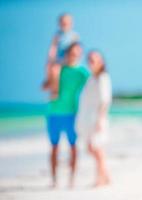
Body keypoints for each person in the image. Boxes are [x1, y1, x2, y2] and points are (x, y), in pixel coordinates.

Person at [46, 42, 89, 188]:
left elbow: (93, 86)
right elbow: (44, 86)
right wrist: (52, 80)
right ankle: (54, 180)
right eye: (72, 52)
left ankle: (72, 179)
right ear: (67, 53)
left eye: (78, 53)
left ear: (80, 54)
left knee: (73, 147)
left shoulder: (83, 73)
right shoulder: (58, 69)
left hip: (72, 114)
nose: (74, 55)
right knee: (54, 147)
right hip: (53, 113)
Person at [76, 51, 112, 187]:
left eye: (94, 60)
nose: (91, 63)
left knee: (97, 149)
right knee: (91, 148)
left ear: (101, 62)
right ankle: (106, 176)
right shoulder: (91, 78)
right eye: (89, 60)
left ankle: (100, 179)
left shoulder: (103, 77)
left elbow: (105, 101)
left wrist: (100, 120)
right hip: (88, 119)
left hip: (97, 119)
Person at [42, 13, 79, 99]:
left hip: (68, 58)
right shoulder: (57, 35)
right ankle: (48, 81)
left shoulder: (74, 35)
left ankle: (55, 91)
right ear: (59, 24)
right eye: (62, 23)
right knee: (48, 66)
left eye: (66, 23)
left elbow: (76, 50)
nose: (64, 25)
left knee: (55, 69)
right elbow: (53, 48)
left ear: (71, 23)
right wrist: (50, 58)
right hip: (59, 59)